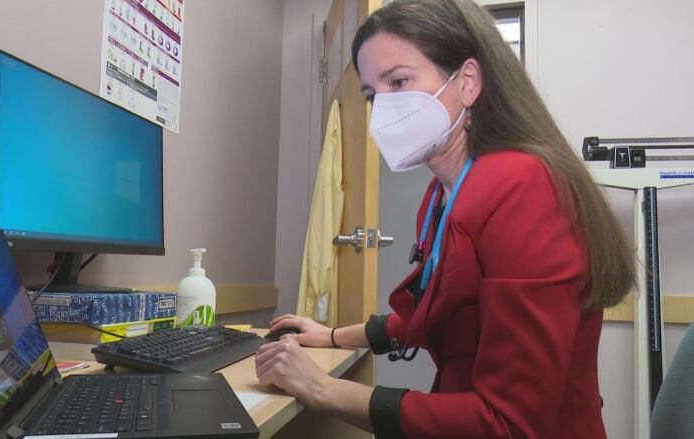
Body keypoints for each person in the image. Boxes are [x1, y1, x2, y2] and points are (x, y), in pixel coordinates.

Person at [254, 0, 635, 438]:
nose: (383, 110)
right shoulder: (442, 195)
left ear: (467, 81)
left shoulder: (525, 189)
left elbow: (507, 424)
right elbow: (436, 311)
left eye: (399, 81)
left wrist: (324, 389)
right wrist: (334, 335)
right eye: (373, 94)